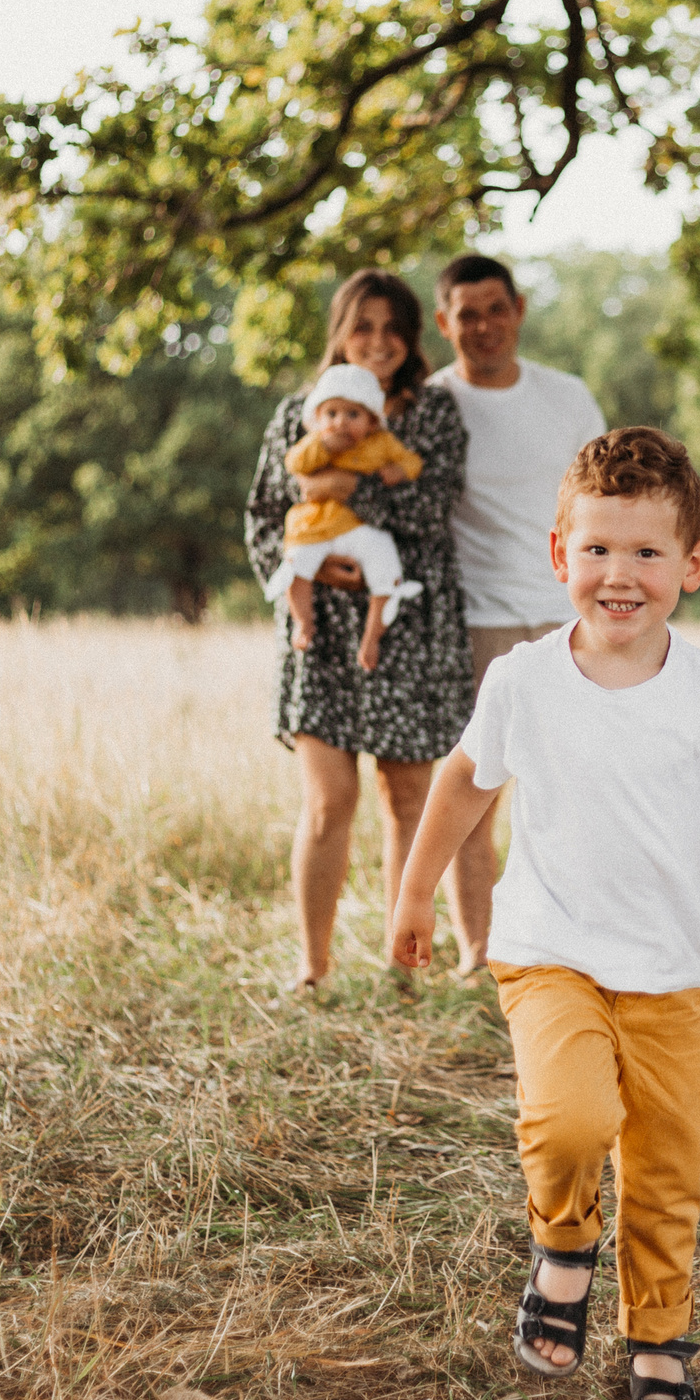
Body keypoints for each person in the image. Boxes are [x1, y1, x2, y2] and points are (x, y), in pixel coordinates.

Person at [387, 427, 700, 1400]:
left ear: (693, 566)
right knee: (571, 1121)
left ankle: (659, 1337)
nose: (617, 576)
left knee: (669, 1173)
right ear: (558, 557)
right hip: (547, 952)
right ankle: (563, 1241)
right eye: (595, 550)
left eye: (645, 553)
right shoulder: (523, 680)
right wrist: (416, 892)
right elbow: (464, 783)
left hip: (673, 976)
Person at [244, 271, 477, 991]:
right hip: (321, 635)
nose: (377, 340)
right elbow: (263, 515)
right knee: (327, 801)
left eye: (391, 327)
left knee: (408, 798)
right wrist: (298, 583)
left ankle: (400, 964)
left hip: (407, 622)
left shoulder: (432, 415)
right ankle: (312, 967)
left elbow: (435, 507)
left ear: (411, 337)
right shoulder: (297, 411)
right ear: (342, 331)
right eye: (363, 325)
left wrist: (352, 491)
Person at [427, 254, 607, 971]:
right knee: (476, 790)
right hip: (478, 620)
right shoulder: (432, 405)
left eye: (495, 309)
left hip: (571, 617)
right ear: (445, 323)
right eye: (466, 314)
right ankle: (479, 949)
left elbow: (602, 497)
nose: (484, 326)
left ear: (519, 309)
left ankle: (585, 941)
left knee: (583, 787)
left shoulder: (567, 397)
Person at [264, 362, 425, 670]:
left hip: (356, 526)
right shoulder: (316, 443)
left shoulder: (381, 443)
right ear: (317, 419)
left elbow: (413, 462)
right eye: (331, 414)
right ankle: (303, 621)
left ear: (372, 421)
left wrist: (398, 471)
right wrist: (323, 446)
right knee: (297, 565)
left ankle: (372, 637)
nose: (341, 423)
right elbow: (293, 464)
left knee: (386, 565)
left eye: (353, 415)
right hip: (316, 526)